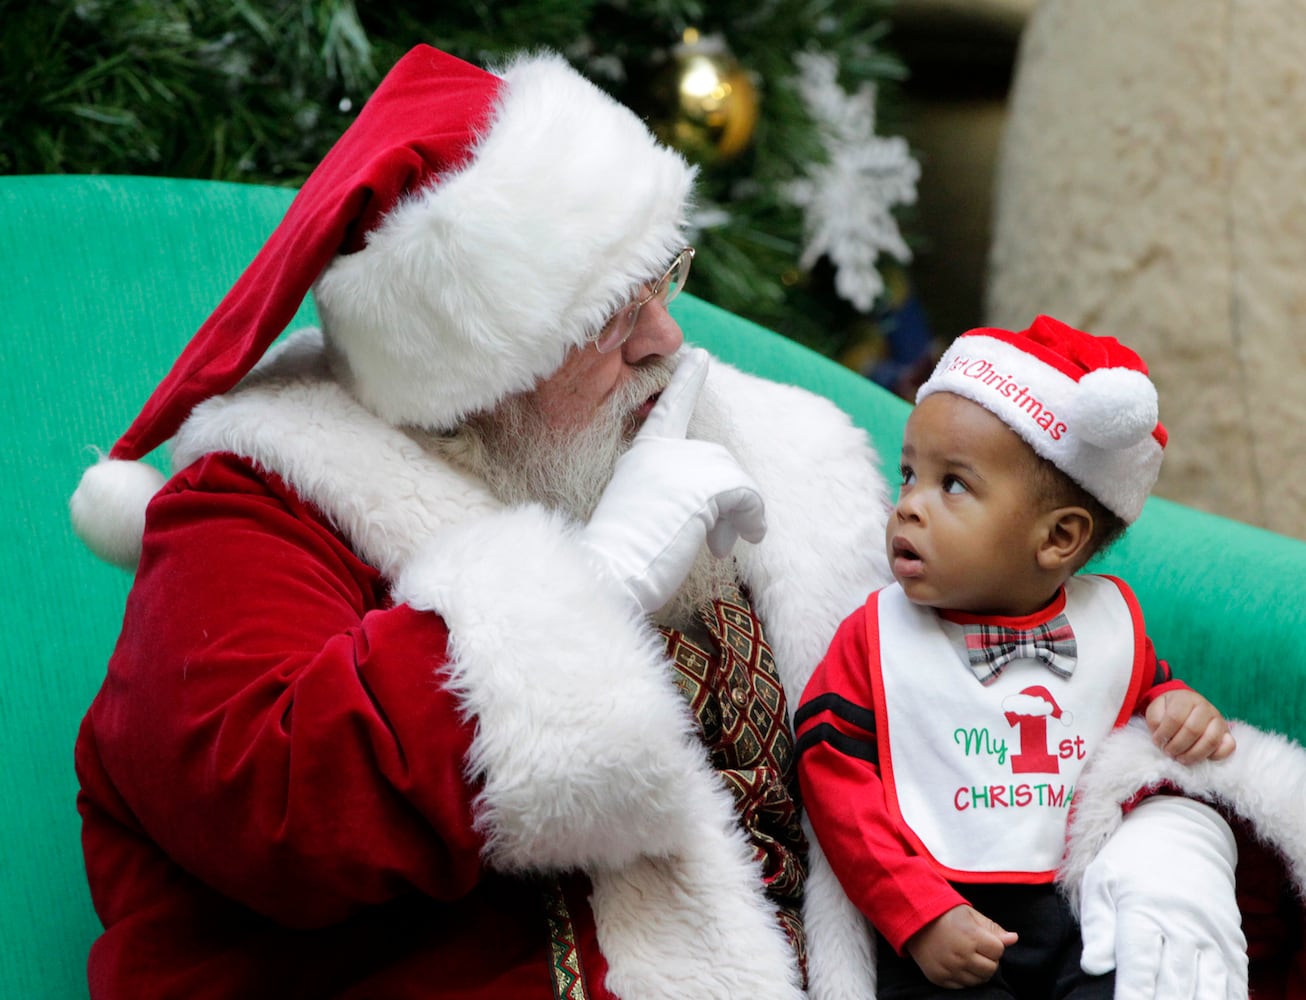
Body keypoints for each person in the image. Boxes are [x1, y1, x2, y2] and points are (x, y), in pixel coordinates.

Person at [68, 45, 1258, 999]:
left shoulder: (769, 448)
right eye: (604, 317)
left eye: (660, 283)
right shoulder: (269, 499)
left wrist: (1156, 839)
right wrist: (592, 584)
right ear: (468, 373)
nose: (667, 342)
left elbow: (1012, 681)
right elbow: (268, 801)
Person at [794, 316, 1242, 997]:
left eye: (952, 486)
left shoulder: (1108, 626)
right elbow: (833, 779)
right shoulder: (875, 636)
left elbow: (1141, 698)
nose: (907, 506)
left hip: (1076, 905)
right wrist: (916, 913)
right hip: (943, 907)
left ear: (1059, 538)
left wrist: (1180, 709)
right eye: (908, 472)